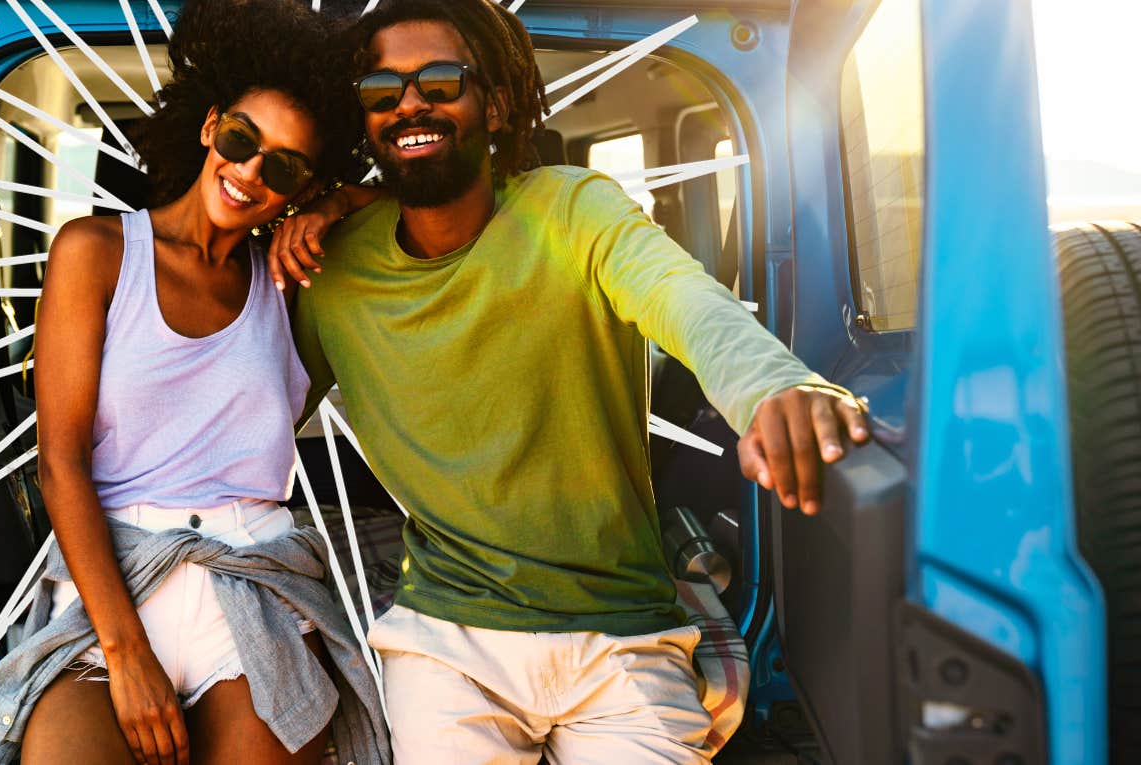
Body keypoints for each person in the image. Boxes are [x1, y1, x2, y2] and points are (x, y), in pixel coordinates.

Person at [267, 0, 868, 761]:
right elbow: (251, 415)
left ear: (499, 102)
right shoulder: (333, 272)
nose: (410, 103)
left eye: (441, 81)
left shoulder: (573, 209)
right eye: (382, 92)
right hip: (445, 639)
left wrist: (771, 386)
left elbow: (683, 299)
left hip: (622, 634)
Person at [0, 2, 388, 764]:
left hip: (253, 585)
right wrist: (126, 654)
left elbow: (435, 210)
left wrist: (339, 205)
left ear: (301, 185)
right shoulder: (96, 251)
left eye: (284, 167)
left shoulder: (289, 283)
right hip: (113, 584)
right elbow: (59, 463)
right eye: (242, 140)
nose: (250, 171)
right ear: (210, 125)